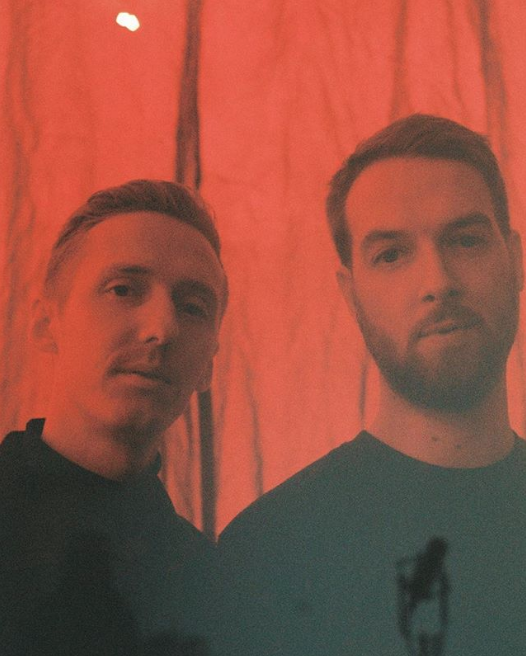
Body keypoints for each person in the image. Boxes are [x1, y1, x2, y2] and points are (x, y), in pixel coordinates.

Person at [214, 115, 526, 656]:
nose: (438, 282)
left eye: (466, 240)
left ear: (516, 261)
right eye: (392, 254)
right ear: (351, 295)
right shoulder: (269, 552)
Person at [0, 179, 228, 655]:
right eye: (122, 289)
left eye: (192, 307)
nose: (161, 329)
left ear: (209, 364)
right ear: (47, 323)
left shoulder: (214, 585)